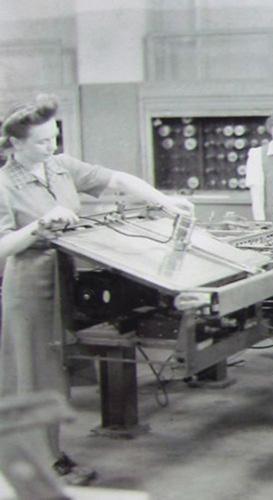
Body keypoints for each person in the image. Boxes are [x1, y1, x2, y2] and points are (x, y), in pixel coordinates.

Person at [0, 94, 193, 485]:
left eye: (54, 138)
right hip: (31, 288)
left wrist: (165, 201)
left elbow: (116, 180)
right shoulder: (4, 184)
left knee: (63, 373)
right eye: (41, 142)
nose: (51, 147)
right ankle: (45, 463)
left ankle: (46, 453)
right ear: (15, 145)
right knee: (37, 378)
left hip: (69, 278)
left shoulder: (60, 167)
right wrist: (36, 227)